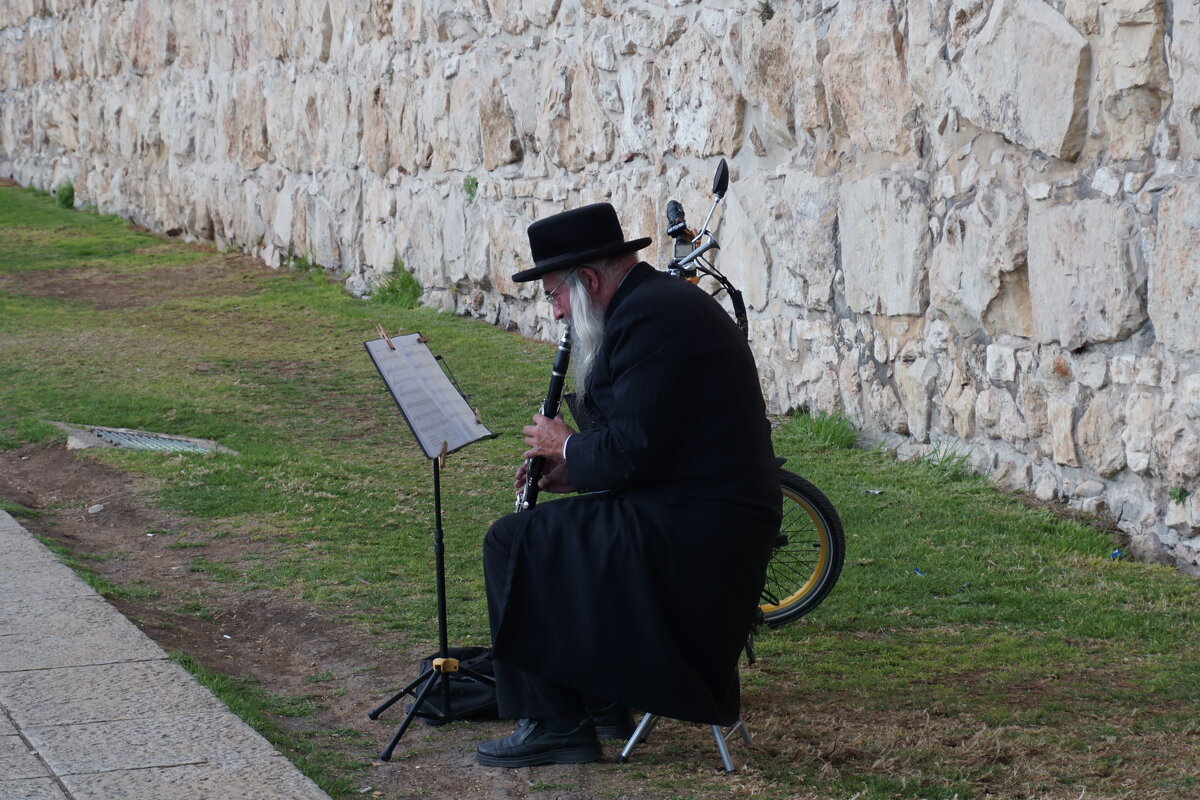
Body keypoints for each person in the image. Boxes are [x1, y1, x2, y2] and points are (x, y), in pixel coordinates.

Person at [477, 202, 781, 768]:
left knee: (511, 541)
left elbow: (633, 450)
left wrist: (564, 444)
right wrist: (571, 473)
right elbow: (646, 448)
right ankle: (599, 699)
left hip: (702, 529)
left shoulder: (651, 317)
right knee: (554, 537)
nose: (558, 311)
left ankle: (555, 723)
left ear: (588, 279)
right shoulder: (650, 306)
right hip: (692, 508)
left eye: (555, 295)